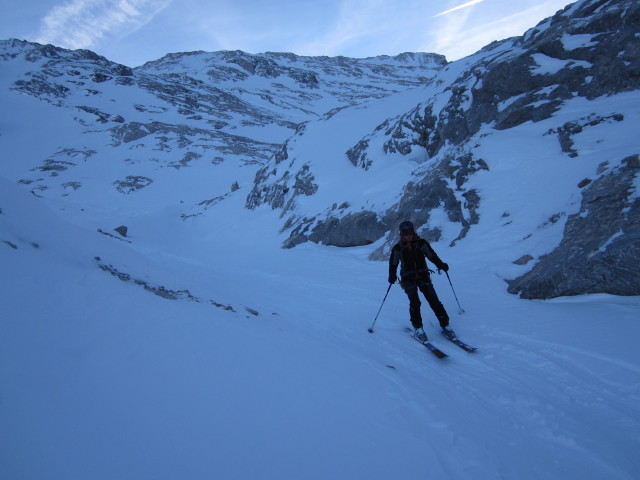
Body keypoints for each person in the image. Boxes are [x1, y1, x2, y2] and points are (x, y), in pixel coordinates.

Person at [388, 220, 455, 343]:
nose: (408, 235)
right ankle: (418, 327)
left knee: (434, 300)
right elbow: (393, 264)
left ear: (413, 232)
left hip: (423, 276)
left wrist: (441, 264)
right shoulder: (398, 248)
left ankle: (445, 324)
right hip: (408, 279)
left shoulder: (421, 243)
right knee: (415, 302)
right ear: (401, 234)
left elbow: (432, 256)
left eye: (410, 232)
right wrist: (392, 275)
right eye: (405, 233)